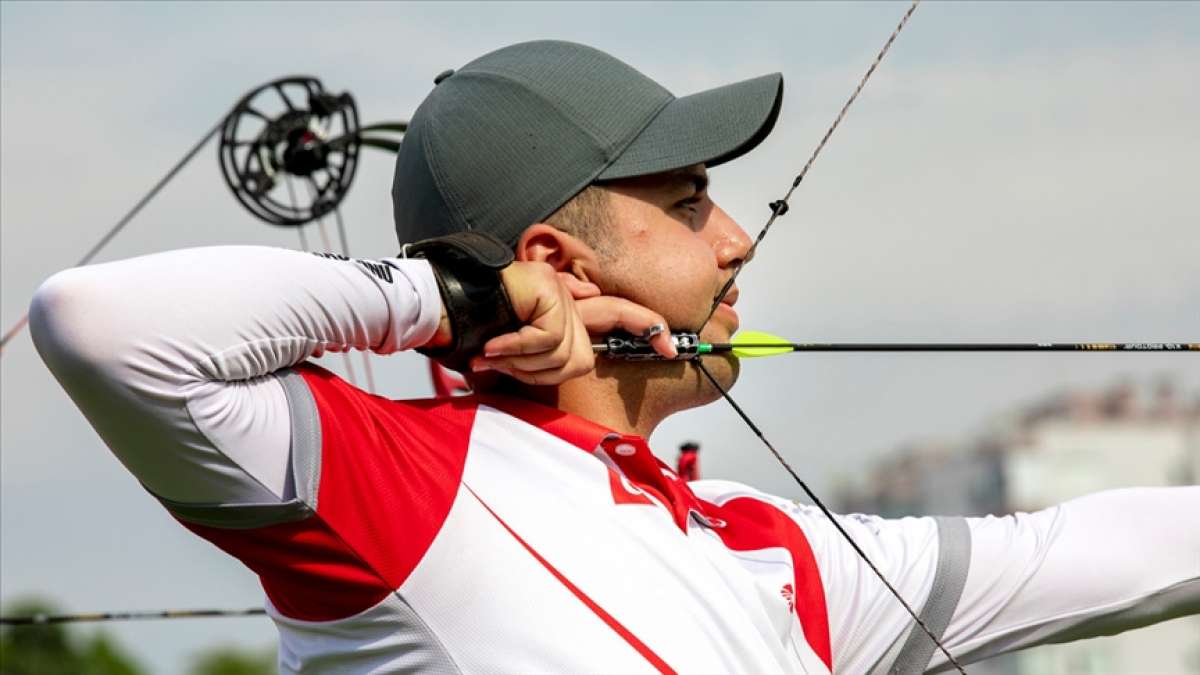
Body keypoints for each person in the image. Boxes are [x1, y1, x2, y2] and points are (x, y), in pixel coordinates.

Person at [29, 41, 1198, 675]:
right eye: (688, 200)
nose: (736, 235)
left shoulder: (771, 551)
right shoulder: (400, 487)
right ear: (557, 259)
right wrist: (450, 298)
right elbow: (101, 327)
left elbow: (1086, 553)